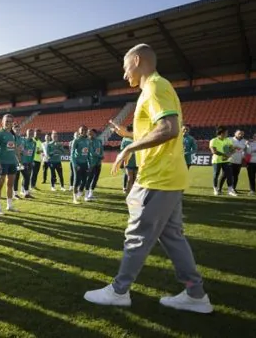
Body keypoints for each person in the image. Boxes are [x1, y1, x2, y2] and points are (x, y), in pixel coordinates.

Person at [84, 44, 213, 314]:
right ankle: (195, 294)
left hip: (157, 177)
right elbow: (158, 130)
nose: (123, 74)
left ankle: (119, 291)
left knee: (137, 236)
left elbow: (169, 129)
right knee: (174, 237)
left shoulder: (155, 87)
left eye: (125, 67)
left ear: (137, 60)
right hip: (169, 177)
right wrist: (128, 134)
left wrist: (129, 148)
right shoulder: (154, 89)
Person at [0, 114, 19, 214]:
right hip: (3, 162)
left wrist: (18, 160)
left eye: (10, 121)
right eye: (6, 121)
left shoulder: (13, 135)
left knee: (10, 184)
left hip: (12, 163)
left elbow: (14, 148)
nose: (8, 123)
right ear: (2, 122)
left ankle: (9, 205)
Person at [210, 126, 237, 196]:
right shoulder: (213, 140)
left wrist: (229, 154)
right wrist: (225, 155)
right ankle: (215, 189)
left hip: (226, 160)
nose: (227, 134)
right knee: (216, 175)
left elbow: (233, 149)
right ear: (221, 133)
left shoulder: (228, 140)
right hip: (216, 161)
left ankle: (230, 190)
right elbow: (214, 151)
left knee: (230, 175)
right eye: (226, 132)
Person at [71, 125, 90, 204]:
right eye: (82, 130)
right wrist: (75, 164)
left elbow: (88, 153)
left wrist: (89, 163)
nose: (83, 131)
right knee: (77, 180)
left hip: (85, 164)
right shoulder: (76, 140)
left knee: (85, 181)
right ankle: (74, 198)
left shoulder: (88, 140)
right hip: (77, 164)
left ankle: (80, 193)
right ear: (79, 131)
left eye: (85, 130)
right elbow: (72, 154)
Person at [117, 124, 137, 194]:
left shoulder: (137, 137)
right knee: (130, 178)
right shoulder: (125, 139)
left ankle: (132, 194)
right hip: (129, 161)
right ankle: (128, 193)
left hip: (136, 161)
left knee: (133, 179)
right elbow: (123, 151)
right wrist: (122, 162)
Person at [85, 128, 103, 201]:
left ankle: (91, 194)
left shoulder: (99, 141)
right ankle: (86, 195)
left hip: (98, 162)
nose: (89, 134)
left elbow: (101, 149)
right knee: (89, 179)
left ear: (95, 133)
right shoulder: (87, 142)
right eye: (89, 133)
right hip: (91, 163)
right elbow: (91, 153)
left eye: (91, 133)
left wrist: (101, 155)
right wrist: (100, 156)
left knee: (95, 178)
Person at [21, 129, 37, 198]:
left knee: (27, 176)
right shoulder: (23, 140)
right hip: (23, 161)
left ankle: (24, 190)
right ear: (26, 133)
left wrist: (32, 160)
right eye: (29, 133)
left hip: (30, 162)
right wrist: (25, 152)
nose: (31, 134)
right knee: (26, 176)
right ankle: (25, 191)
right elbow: (21, 151)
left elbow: (33, 152)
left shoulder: (34, 142)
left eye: (32, 133)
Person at [12, 123, 24, 199]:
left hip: (19, 160)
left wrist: (21, 150)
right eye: (16, 129)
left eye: (19, 129)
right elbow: (14, 149)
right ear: (13, 129)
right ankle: (14, 193)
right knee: (12, 178)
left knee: (17, 177)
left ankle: (15, 193)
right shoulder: (12, 137)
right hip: (12, 160)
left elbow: (21, 149)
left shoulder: (20, 138)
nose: (17, 130)